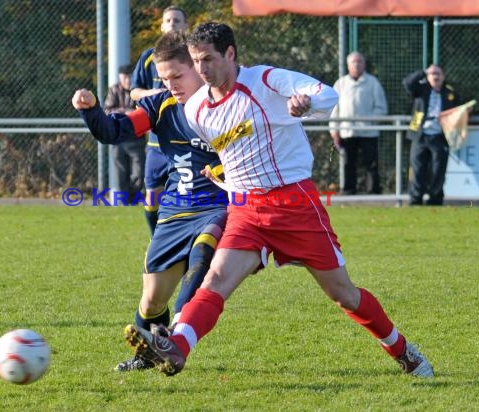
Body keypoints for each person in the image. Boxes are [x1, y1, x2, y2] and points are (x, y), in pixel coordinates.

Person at [123, 22, 434, 379]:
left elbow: (327, 95)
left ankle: (401, 349)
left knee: (343, 294)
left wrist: (306, 104)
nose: (202, 69)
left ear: (230, 53)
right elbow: (232, 153)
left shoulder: (265, 80)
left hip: (294, 206)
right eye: (195, 61)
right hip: (245, 210)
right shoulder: (196, 110)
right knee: (216, 279)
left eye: (208, 58)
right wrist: (221, 177)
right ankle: (177, 346)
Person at [72, 31, 227, 372]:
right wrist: (92, 110)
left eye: (177, 76)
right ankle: (148, 353)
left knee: (202, 256)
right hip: (175, 211)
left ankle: (174, 339)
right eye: (164, 78)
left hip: (219, 206)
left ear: (198, 69)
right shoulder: (160, 107)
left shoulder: (227, 105)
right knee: (153, 298)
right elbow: (114, 131)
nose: (170, 84)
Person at [130, 5, 189, 234]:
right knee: (152, 196)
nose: (172, 24)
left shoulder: (193, 56)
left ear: (186, 26)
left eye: (177, 20)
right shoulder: (148, 57)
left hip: (189, 139)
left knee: (193, 194)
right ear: (162, 26)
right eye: (168, 20)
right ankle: (157, 240)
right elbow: (134, 92)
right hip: (156, 143)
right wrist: (153, 95)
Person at [329, 52, 387, 195]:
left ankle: (373, 191)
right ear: (348, 65)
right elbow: (334, 109)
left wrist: (368, 120)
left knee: (371, 163)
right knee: (348, 162)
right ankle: (349, 190)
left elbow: (381, 108)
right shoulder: (340, 84)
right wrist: (334, 130)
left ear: (364, 64)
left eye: (359, 61)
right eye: (353, 62)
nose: (356, 64)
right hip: (347, 131)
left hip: (368, 132)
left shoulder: (373, 82)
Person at [403, 65, 460, 206]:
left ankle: (435, 199)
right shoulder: (421, 90)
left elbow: (458, 111)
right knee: (417, 169)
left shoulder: (450, 93)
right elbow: (407, 83)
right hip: (420, 135)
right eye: (432, 73)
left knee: (438, 169)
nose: (435, 76)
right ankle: (416, 199)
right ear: (427, 76)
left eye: (438, 73)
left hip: (440, 136)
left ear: (443, 76)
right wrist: (422, 72)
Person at [103, 64, 146, 204]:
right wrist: (124, 112)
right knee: (121, 172)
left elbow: (145, 110)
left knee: (138, 173)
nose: (128, 79)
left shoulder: (139, 90)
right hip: (119, 138)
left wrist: (132, 113)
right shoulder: (114, 90)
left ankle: (133, 198)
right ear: (120, 77)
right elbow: (107, 110)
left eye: (130, 76)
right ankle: (126, 202)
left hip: (136, 138)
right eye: (125, 77)